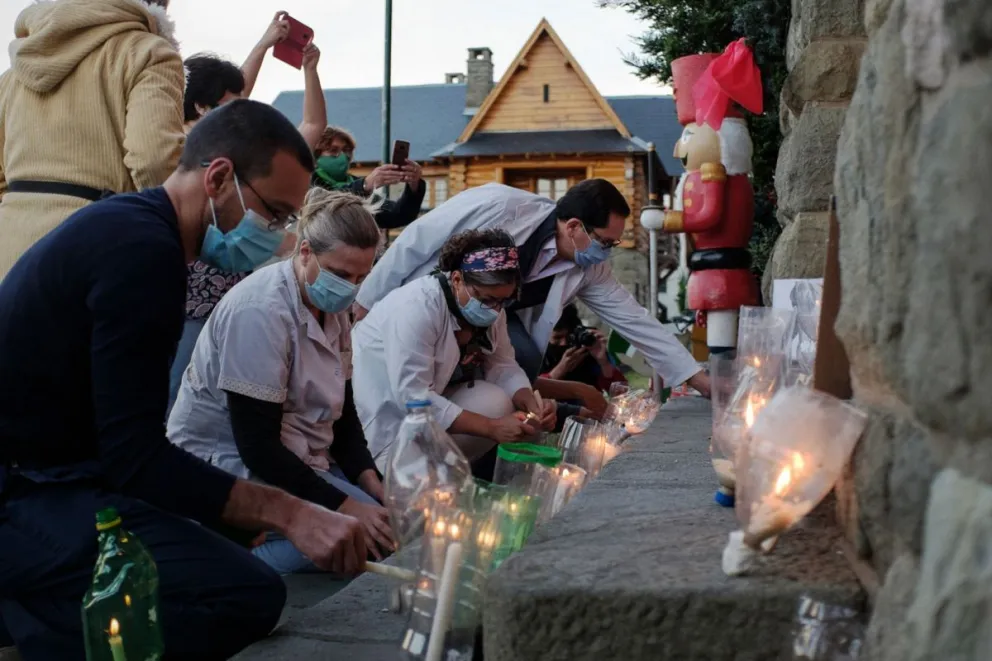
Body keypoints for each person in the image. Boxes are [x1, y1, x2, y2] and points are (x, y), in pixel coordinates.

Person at [0, 99, 365, 661]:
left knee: (226, 556)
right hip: (27, 491)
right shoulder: (142, 253)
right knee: (246, 596)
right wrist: (287, 510)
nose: (281, 235)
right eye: (276, 213)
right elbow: (136, 456)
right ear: (219, 177)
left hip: (58, 475)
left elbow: (119, 440)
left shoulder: (135, 229)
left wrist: (225, 512)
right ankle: (31, 611)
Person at [169, 189, 394, 574]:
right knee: (362, 541)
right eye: (340, 274)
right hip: (230, 463)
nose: (351, 287)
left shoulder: (329, 306)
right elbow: (257, 447)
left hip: (297, 453)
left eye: (362, 276)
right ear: (304, 252)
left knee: (387, 528)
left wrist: (370, 478)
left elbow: (342, 412)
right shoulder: (260, 311)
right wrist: (346, 505)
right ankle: (225, 566)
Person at [354, 178, 711, 407]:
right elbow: (416, 241)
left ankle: (483, 428)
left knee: (521, 359)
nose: (607, 250)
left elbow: (634, 320)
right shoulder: (500, 205)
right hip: (432, 299)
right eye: (604, 241)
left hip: (490, 322)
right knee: (413, 373)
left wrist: (695, 377)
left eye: (613, 243)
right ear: (573, 226)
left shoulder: (590, 266)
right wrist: (366, 301)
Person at [169, 17, 327, 414]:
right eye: (228, 105)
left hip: (233, 302)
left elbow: (309, 125)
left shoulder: (241, 158)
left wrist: (308, 69)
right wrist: (260, 46)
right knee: (176, 401)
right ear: (201, 107)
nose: (239, 112)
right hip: (187, 307)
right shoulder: (179, 153)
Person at [0, 0, 185, 280]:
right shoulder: (149, 52)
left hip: (10, 250)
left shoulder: (13, 73)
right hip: (100, 248)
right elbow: (154, 161)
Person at [352, 229, 557, 472]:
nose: (495, 310)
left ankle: (442, 471)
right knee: (416, 488)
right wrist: (491, 427)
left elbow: (503, 365)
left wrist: (529, 401)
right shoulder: (417, 307)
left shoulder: (491, 310)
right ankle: (419, 474)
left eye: (504, 301)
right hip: (380, 417)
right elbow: (411, 396)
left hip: (426, 408)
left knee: (496, 400)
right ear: (457, 279)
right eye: (487, 300)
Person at [311, 125, 426, 229]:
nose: (342, 156)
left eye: (346, 151)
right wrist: (365, 185)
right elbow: (326, 202)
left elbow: (399, 215)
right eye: (333, 150)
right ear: (315, 156)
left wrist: (414, 184)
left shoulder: (356, 184)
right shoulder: (307, 181)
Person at [542, 304, 627, 392]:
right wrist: (559, 370)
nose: (564, 343)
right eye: (557, 338)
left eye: (569, 337)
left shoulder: (586, 346)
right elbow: (531, 392)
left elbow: (621, 392)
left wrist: (603, 361)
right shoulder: (537, 352)